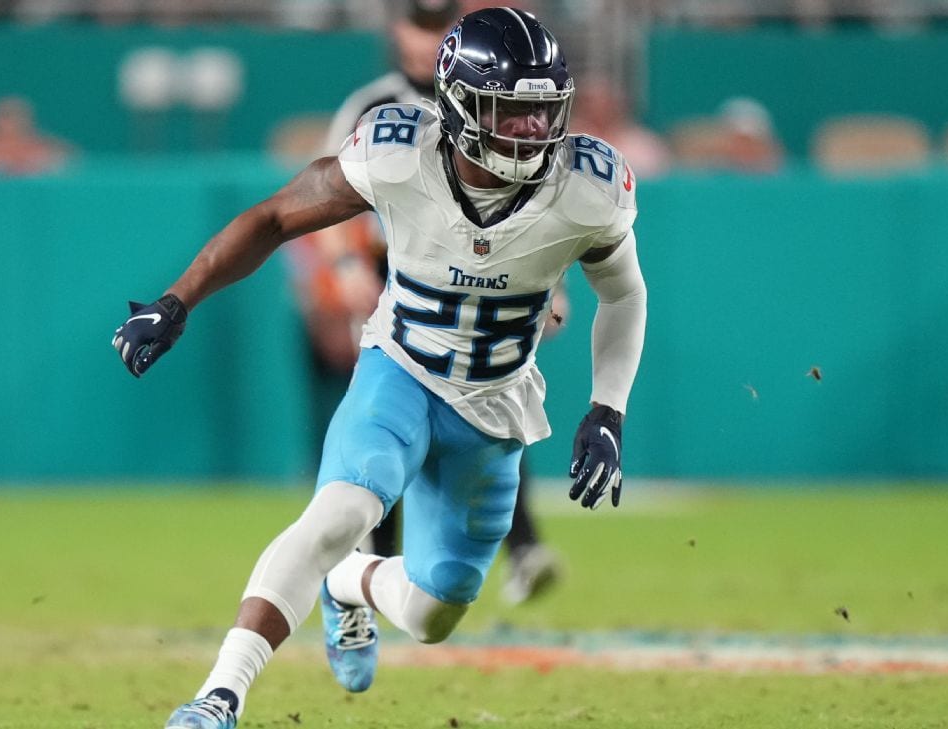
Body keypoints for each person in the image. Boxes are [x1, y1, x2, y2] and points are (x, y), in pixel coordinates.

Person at [112, 9, 646, 729]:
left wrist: (607, 408)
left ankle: (350, 581)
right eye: (509, 111)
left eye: (540, 111)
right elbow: (274, 218)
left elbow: (623, 294)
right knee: (338, 512)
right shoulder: (399, 153)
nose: (529, 130)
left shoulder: (587, 185)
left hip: (492, 406)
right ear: (458, 104)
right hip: (399, 370)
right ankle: (219, 696)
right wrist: (180, 299)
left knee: (433, 612)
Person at [294, 0, 564, 607]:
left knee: (490, 405)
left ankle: (520, 548)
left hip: (481, 269)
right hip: (393, 270)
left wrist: (553, 284)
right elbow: (326, 192)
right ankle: (370, 564)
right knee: (385, 425)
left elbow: (541, 204)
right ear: (398, 31)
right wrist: (342, 265)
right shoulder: (374, 102)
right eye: (418, 26)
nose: (426, 40)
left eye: (438, 27)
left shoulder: (505, 97)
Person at [0, 96, 72, 176]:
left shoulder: (43, 145)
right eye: (5, 117)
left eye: (18, 117)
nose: (11, 124)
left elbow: (68, 163)